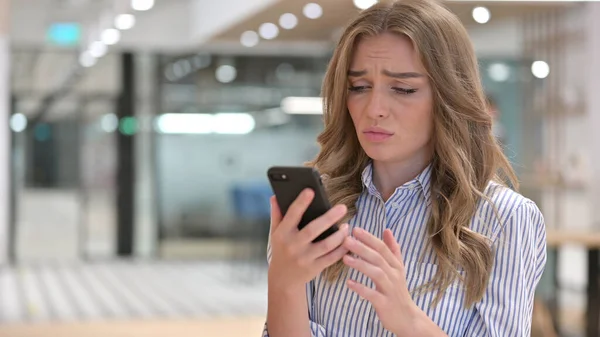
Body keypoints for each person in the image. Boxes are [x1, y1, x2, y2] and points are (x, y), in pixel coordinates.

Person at [263, 0, 547, 336]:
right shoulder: (322, 208)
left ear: (449, 95)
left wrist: (410, 321)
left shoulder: (503, 219)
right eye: (359, 87)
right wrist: (283, 284)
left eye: (404, 89)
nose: (375, 108)